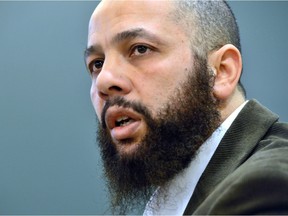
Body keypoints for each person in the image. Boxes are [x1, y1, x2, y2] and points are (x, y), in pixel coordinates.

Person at [84, 0, 288, 214]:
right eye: (97, 64)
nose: (103, 81)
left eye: (140, 49)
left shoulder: (267, 188)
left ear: (220, 72)